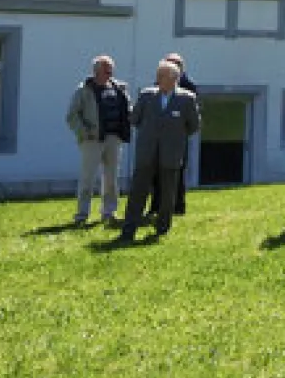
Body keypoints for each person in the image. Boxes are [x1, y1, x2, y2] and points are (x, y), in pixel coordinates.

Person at [119, 58, 202, 242]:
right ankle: (129, 229)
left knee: (167, 193)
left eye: (162, 76)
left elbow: (194, 126)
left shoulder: (187, 99)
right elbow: (134, 119)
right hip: (146, 152)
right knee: (137, 192)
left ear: (174, 78)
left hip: (171, 153)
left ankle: (162, 227)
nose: (158, 79)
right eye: (158, 75)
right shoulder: (147, 95)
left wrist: (176, 135)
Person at [66, 55, 132, 225]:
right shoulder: (83, 90)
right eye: (106, 70)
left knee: (111, 178)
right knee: (87, 178)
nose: (110, 74)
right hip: (92, 139)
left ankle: (109, 213)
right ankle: (82, 214)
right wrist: (84, 132)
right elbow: (72, 116)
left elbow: (128, 109)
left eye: (111, 70)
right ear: (96, 71)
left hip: (114, 138)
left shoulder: (119, 88)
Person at [146, 52, 197, 217]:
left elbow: (192, 118)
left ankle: (178, 206)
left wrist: (182, 132)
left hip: (177, 139)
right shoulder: (156, 87)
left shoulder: (189, 87)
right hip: (157, 138)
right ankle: (155, 206)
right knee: (156, 173)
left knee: (177, 172)